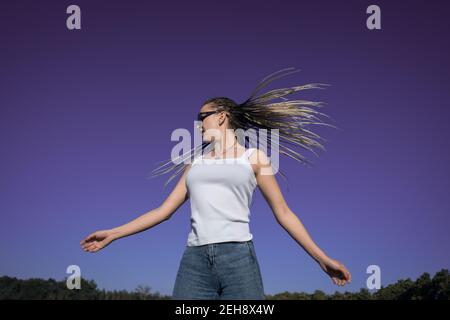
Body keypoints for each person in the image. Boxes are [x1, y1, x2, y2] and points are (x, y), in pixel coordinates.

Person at [80, 67, 352, 300]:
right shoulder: (194, 164)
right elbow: (163, 212)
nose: (198, 125)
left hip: (238, 258)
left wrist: (321, 258)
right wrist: (114, 233)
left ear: (222, 116)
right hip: (194, 261)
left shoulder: (254, 158)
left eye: (202, 117)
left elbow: (283, 213)